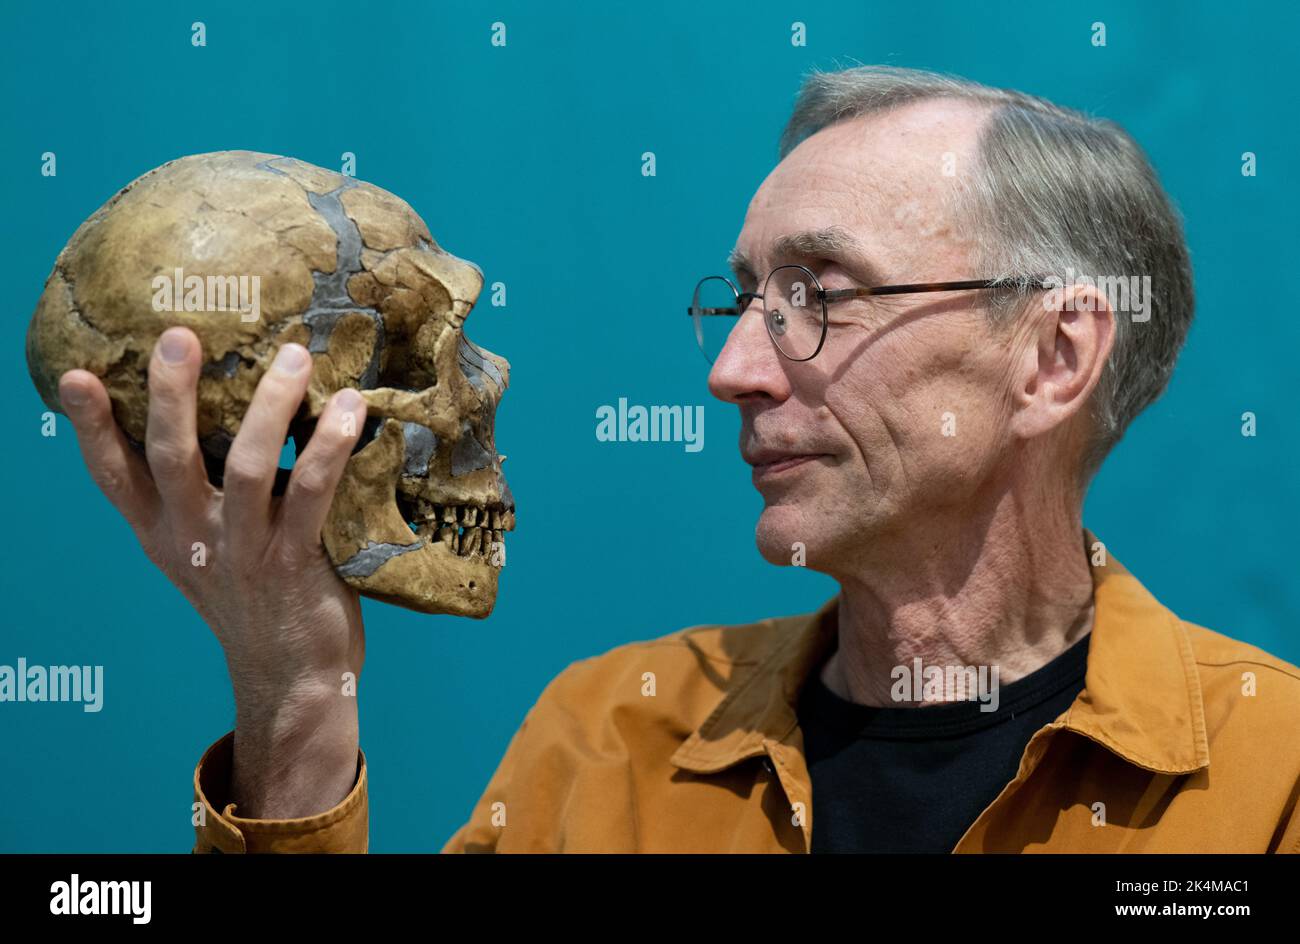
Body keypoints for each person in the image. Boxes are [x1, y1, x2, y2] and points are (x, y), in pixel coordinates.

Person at [58, 65, 1300, 853]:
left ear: (1051, 357)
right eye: (744, 299)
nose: (734, 371)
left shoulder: (1273, 774)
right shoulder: (604, 741)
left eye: (819, 294)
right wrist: (295, 701)